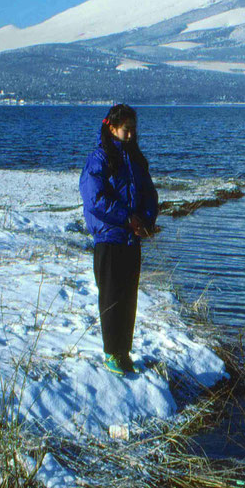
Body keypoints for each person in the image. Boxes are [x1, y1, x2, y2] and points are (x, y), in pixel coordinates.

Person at [79, 104, 158, 376]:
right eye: (127, 130)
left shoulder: (135, 160)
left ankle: (124, 352)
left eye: (134, 130)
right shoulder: (99, 159)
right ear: (112, 128)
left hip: (131, 240)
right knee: (112, 298)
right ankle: (111, 353)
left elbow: (149, 193)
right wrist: (127, 218)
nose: (131, 135)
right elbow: (95, 199)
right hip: (110, 238)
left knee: (128, 299)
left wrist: (146, 221)